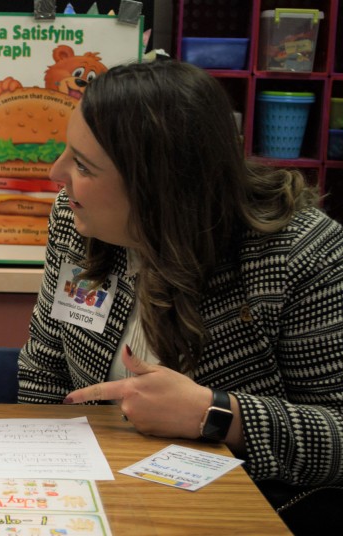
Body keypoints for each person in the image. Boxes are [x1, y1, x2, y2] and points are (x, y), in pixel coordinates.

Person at [17, 60, 343, 533]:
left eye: (83, 165)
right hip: (103, 503)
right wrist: (48, 494)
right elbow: (44, 370)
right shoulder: (76, 220)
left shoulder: (300, 252)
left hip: (243, 515)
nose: (56, 175)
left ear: (157, 186)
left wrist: (216, 415)